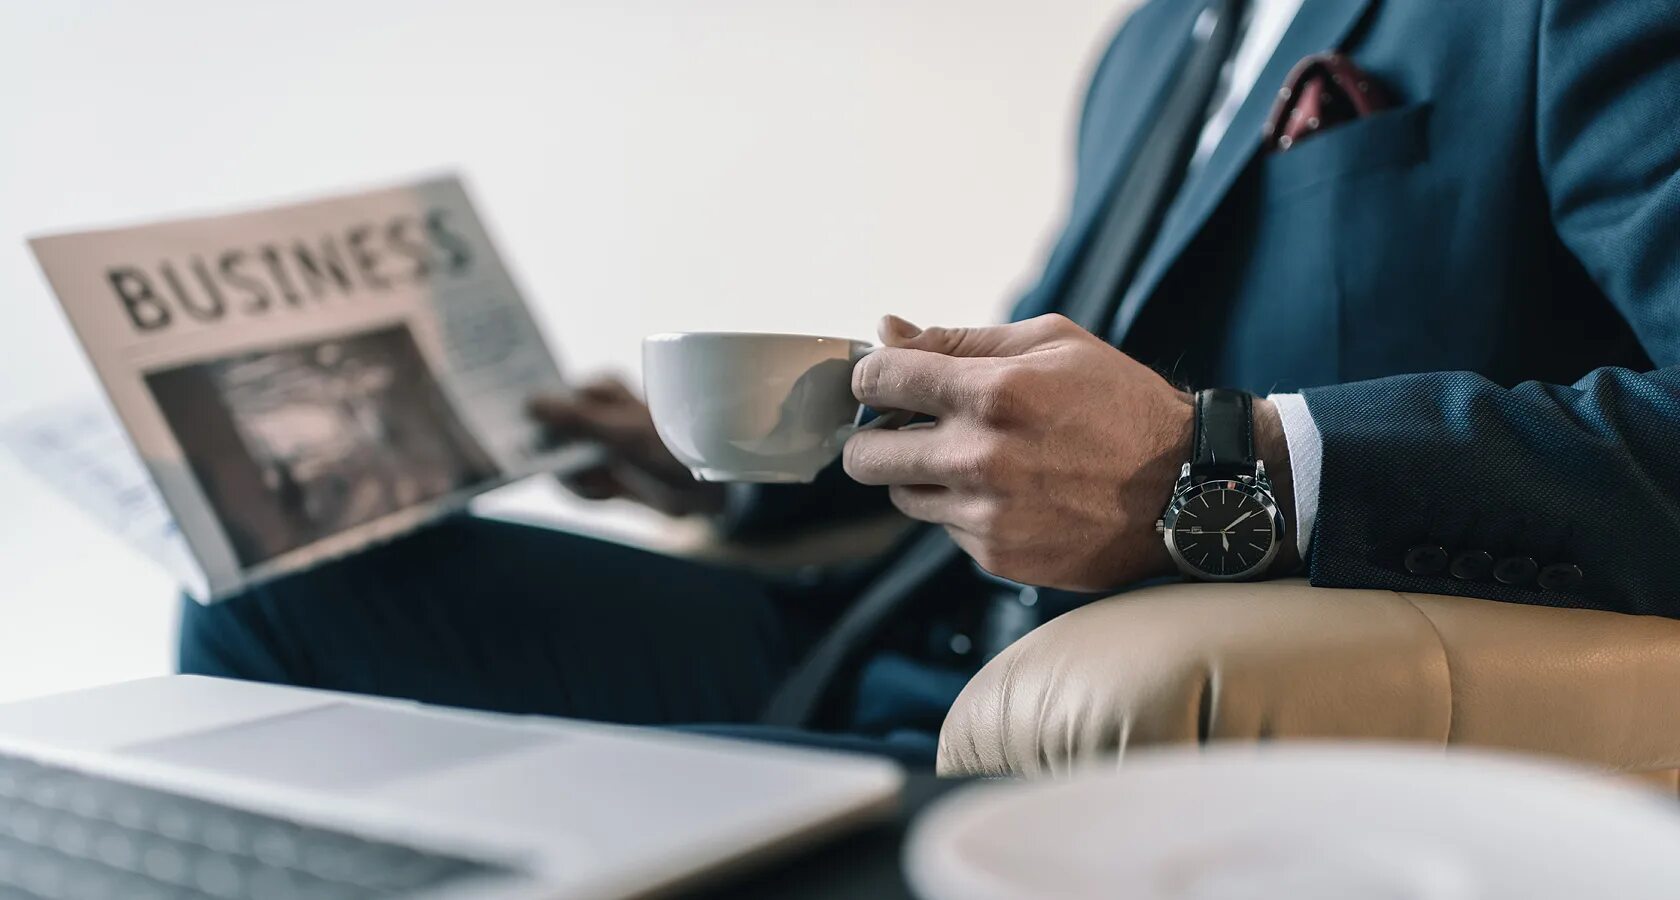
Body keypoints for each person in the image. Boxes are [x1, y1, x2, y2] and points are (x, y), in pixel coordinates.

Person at [181, 0, 1680, 766]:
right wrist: (735, 464)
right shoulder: (1159, 42)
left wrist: (1208, 469)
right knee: (265, 603)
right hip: (891, 630)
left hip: (1088, 717)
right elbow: (1026, 408)